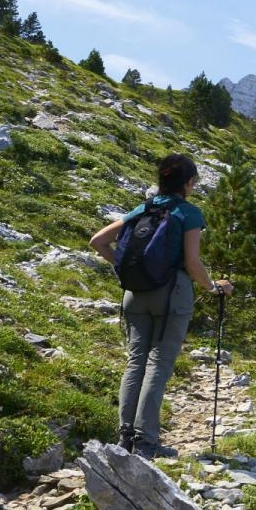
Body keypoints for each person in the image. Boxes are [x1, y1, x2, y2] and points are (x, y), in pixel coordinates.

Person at [89, 153, 232, 458]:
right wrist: (212, 287)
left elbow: (98, 241)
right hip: (171, 294)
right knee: (159, 364)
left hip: (134, 293)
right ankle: (146, 442)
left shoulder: (143, 209)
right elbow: (193, 263)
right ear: (188, 183)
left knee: (135, 361)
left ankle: (125, 438)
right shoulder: (188, 214)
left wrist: (126, 269)